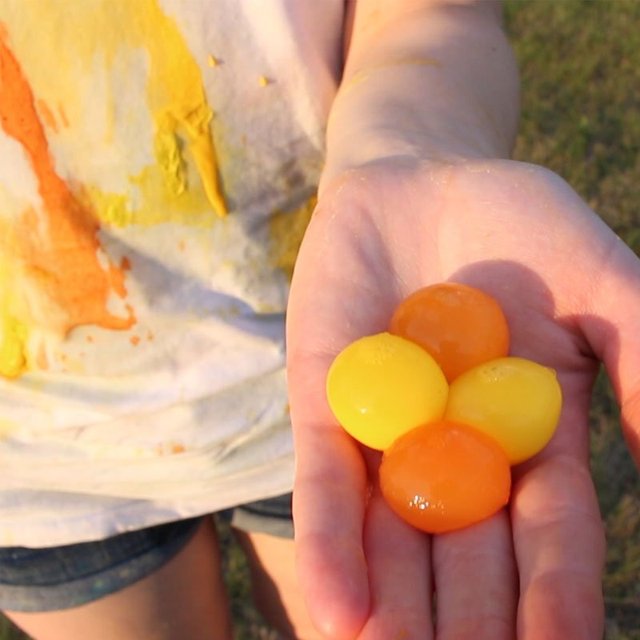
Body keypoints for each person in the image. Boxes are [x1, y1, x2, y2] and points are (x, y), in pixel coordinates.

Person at [0, 1, 638, 639]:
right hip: (49, 463)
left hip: (309, 413)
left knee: (343, 614)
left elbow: (432, 13)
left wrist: (406, 150)